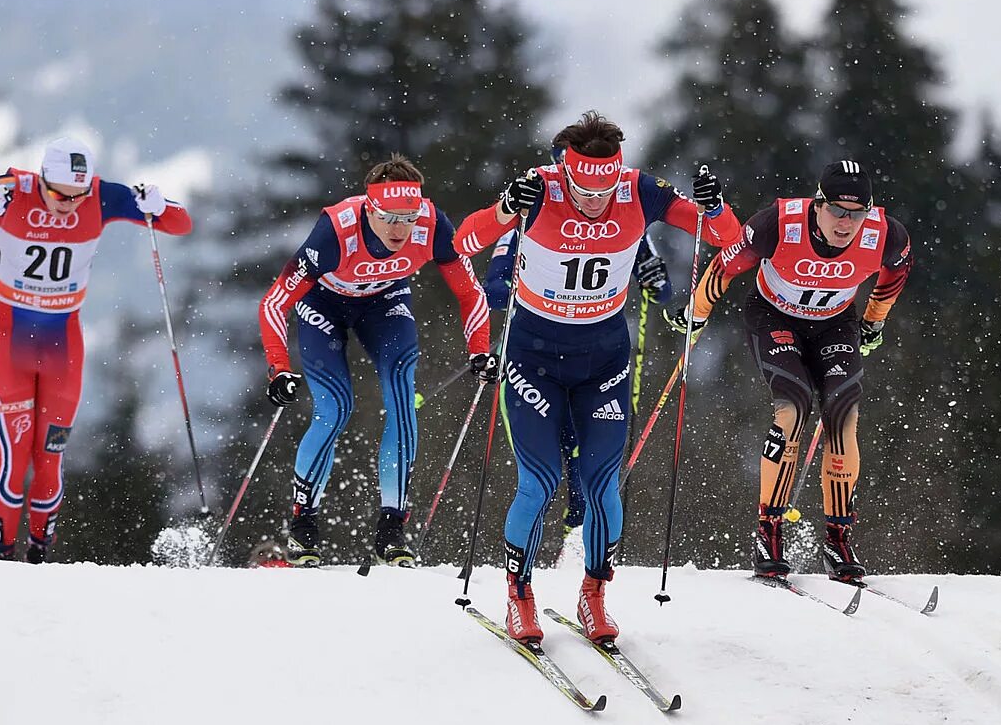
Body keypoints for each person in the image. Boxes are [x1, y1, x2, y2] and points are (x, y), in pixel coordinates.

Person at [454, 111, 740, 643]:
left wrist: (714, 206)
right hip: (532, 357)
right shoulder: (538, 189)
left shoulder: (640, 190)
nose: (594, 199)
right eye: (583, 188)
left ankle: (594, 593)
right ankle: (519, 594)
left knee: (603, 485)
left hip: (603, 358)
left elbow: (728, 239)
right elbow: (465, 243)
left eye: (604, 186)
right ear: (564, 170)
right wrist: (501, 211)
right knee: (537, 483)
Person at [0, 136, 192, 563]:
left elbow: (180, 224)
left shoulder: (102, 197)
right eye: (58, 194)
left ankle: (40, 555)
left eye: (76, 196)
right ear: (42, 180)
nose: (67, 205)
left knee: (50, 460)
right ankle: (2, 555)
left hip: (64, 349)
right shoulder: (10, 189)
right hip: (9, 344)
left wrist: (159, 206)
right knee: (14, 462)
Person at [666, 160, 912, 582]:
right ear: (818, 205)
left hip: (834, 322)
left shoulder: (886, 234)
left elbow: (896, 272)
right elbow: (726, 266)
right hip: (774, 318)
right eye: (836, 210)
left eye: (856, 214)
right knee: (793, 408)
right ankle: (770, 530)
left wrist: (874, 321)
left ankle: (837, 539)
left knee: (842, 411)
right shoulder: (778, 224)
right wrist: (696, 314)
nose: (845, 223)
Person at [259, 154, 494, 568]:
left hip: (384, 303)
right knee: (335, 409)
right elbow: (274, 302)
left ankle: (391, 527)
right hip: (324, 305)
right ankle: (303, 525)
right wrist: (278, 368)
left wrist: (479, 349)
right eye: (389, 217)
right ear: (370, 208)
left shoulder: (433, 224)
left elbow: (470, 291)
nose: (401, 228)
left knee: (403, 400)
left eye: (409, 216)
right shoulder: (335, 229)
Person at [481, 227, 673, 552]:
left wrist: (656, 280)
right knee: (539, 478)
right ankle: (517, 575)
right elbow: (492, 289)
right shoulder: (532, 220)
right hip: (534, 361)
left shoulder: (626, 223)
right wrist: (528, 290)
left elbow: (662, 292)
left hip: (594, 361)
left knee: (587, 464)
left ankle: (576, 545)